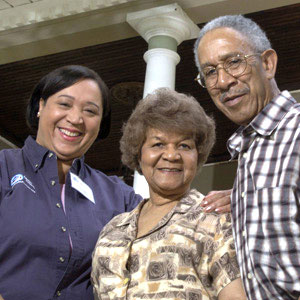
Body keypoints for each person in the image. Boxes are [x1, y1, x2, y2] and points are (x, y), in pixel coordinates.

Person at [0, 65, 141, 300]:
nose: (76, 119)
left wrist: (222, 200)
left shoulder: (118, 196)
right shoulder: (5, 168)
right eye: (64, 104)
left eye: (90, 111)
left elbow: (167, 221)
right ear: (40, 107)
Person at [91, 88, 246, 300]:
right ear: (139, 152)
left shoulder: (216, 220)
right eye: (158, 144)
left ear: (197, 155)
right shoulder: (112, 232)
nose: (172, 155)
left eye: (184, 145)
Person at [194, 14, 300, 300]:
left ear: (267, 63)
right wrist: (243, 197)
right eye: (210, 72)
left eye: (234, 62)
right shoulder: (249, 150)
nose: (223, 81)